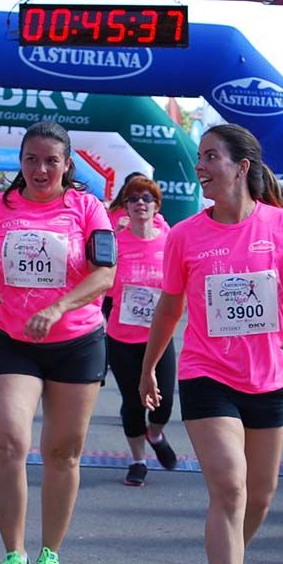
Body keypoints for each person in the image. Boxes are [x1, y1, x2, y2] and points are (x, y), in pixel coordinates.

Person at [140, 123, 283, 564]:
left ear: (242, 167)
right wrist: (149, 369)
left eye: (211, 157)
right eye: (199, 157)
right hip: (206, 373)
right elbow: (169, 309)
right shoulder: (185, 235)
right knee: (231, 488)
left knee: (260, 496)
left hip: (268, 377)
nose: (201, 167)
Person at [0, 121, 114, 564]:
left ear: (68, 165)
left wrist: (59, 307)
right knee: (8, 442)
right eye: (32, 159)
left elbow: (105, 273)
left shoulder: (88, 208)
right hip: (12, 337)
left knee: (63, 452)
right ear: (19, 163)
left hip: (76, 339)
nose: (41, 169)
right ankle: (14, 556)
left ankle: (50, 554)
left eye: (52, 160)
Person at [104, 175, 177, 487]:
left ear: (156, 206)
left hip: (159, 337)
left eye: (146, 198)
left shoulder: (168, 240)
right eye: (133, 199)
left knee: (164, 402)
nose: (140, 204)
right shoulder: (116, 243)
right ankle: (137, 460)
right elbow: (103, 291)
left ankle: (156, 434)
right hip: (122, 338)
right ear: (126, 206)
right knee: (133, 402)